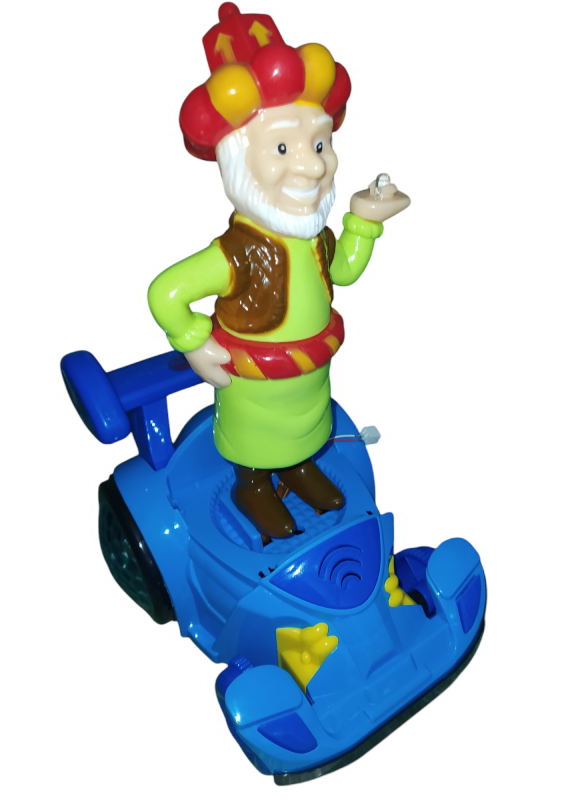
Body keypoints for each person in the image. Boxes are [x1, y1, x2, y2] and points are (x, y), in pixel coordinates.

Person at [148, 3, 408, 542]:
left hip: (309, 383)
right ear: (237, 161)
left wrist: (362, 221)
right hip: (255, 393)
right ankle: (252, 483)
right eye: (284, 147)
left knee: (305, 430)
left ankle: (297, 466)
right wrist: (194, 342)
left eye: (320, 144)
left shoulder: (313, 240)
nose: (312, 165)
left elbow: (343, 271)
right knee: (256, 439)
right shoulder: (236, 254)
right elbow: (165, 292)